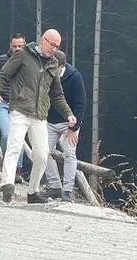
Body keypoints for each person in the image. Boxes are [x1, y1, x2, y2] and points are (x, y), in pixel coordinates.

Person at [0, 29, 76, 204]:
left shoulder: (53, 64)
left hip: (40, 115)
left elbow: (57, 95)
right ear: (43, 40)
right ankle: (7, 185)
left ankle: (33, 192)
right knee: (14, 146)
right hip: (20, 109)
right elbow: (2, 76)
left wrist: (69, 114)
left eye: (57, 46)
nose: (54, 49)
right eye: (52, 45)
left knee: (42, 155)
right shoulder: (22, 55)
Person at [44, 50, 86, 202]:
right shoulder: (46, 73)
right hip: (49, 121)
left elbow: (81, 104)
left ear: (62, 66)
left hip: (69, 123)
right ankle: (54, 186)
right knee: (43, 152)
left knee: (69, 153)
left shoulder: (74, 76)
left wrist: (73, 128)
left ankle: (67, 190)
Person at [0, 33, 27, 182]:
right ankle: (8, 166)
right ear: (10, 46)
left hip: (20, 105)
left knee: (19, 137)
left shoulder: (28, 62)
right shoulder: (1, 60)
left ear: (24, 46)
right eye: (15, 46)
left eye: (20, 46)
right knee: (6, 135)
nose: (17, 49)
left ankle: (17, 170)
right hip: (3, 103)